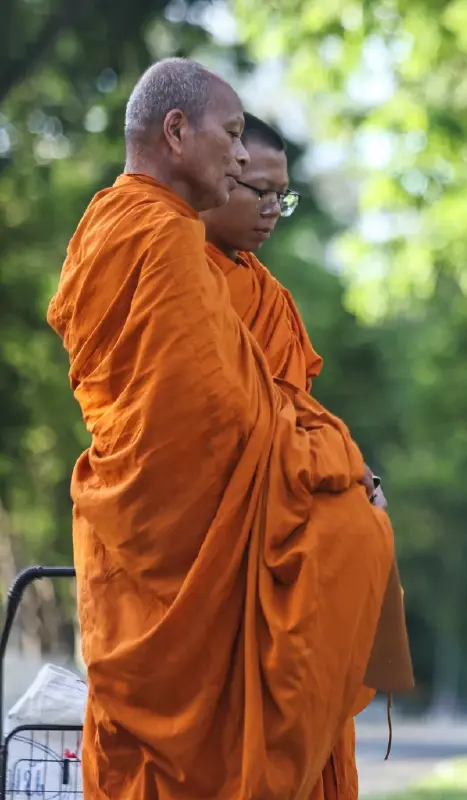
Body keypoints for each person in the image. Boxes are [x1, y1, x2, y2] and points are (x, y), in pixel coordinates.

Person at [46, 57, 400, 798]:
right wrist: (332, 461)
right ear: (176, 132)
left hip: (206, 545)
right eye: (234, 139)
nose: (242, 158)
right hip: (168, 543)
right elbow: (214, 421)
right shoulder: (153, 236)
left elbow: (250, 406)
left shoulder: (155, 240)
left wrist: (323, 454)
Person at [199, 112, 406, 798]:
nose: (271, 212)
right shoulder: (177, 278)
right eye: (256, 191)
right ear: (213, 174)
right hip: (210, 536)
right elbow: (211, 420)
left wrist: (349, 470)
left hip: (276, 522)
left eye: (280, 197)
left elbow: (290, 411)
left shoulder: (269, 298)